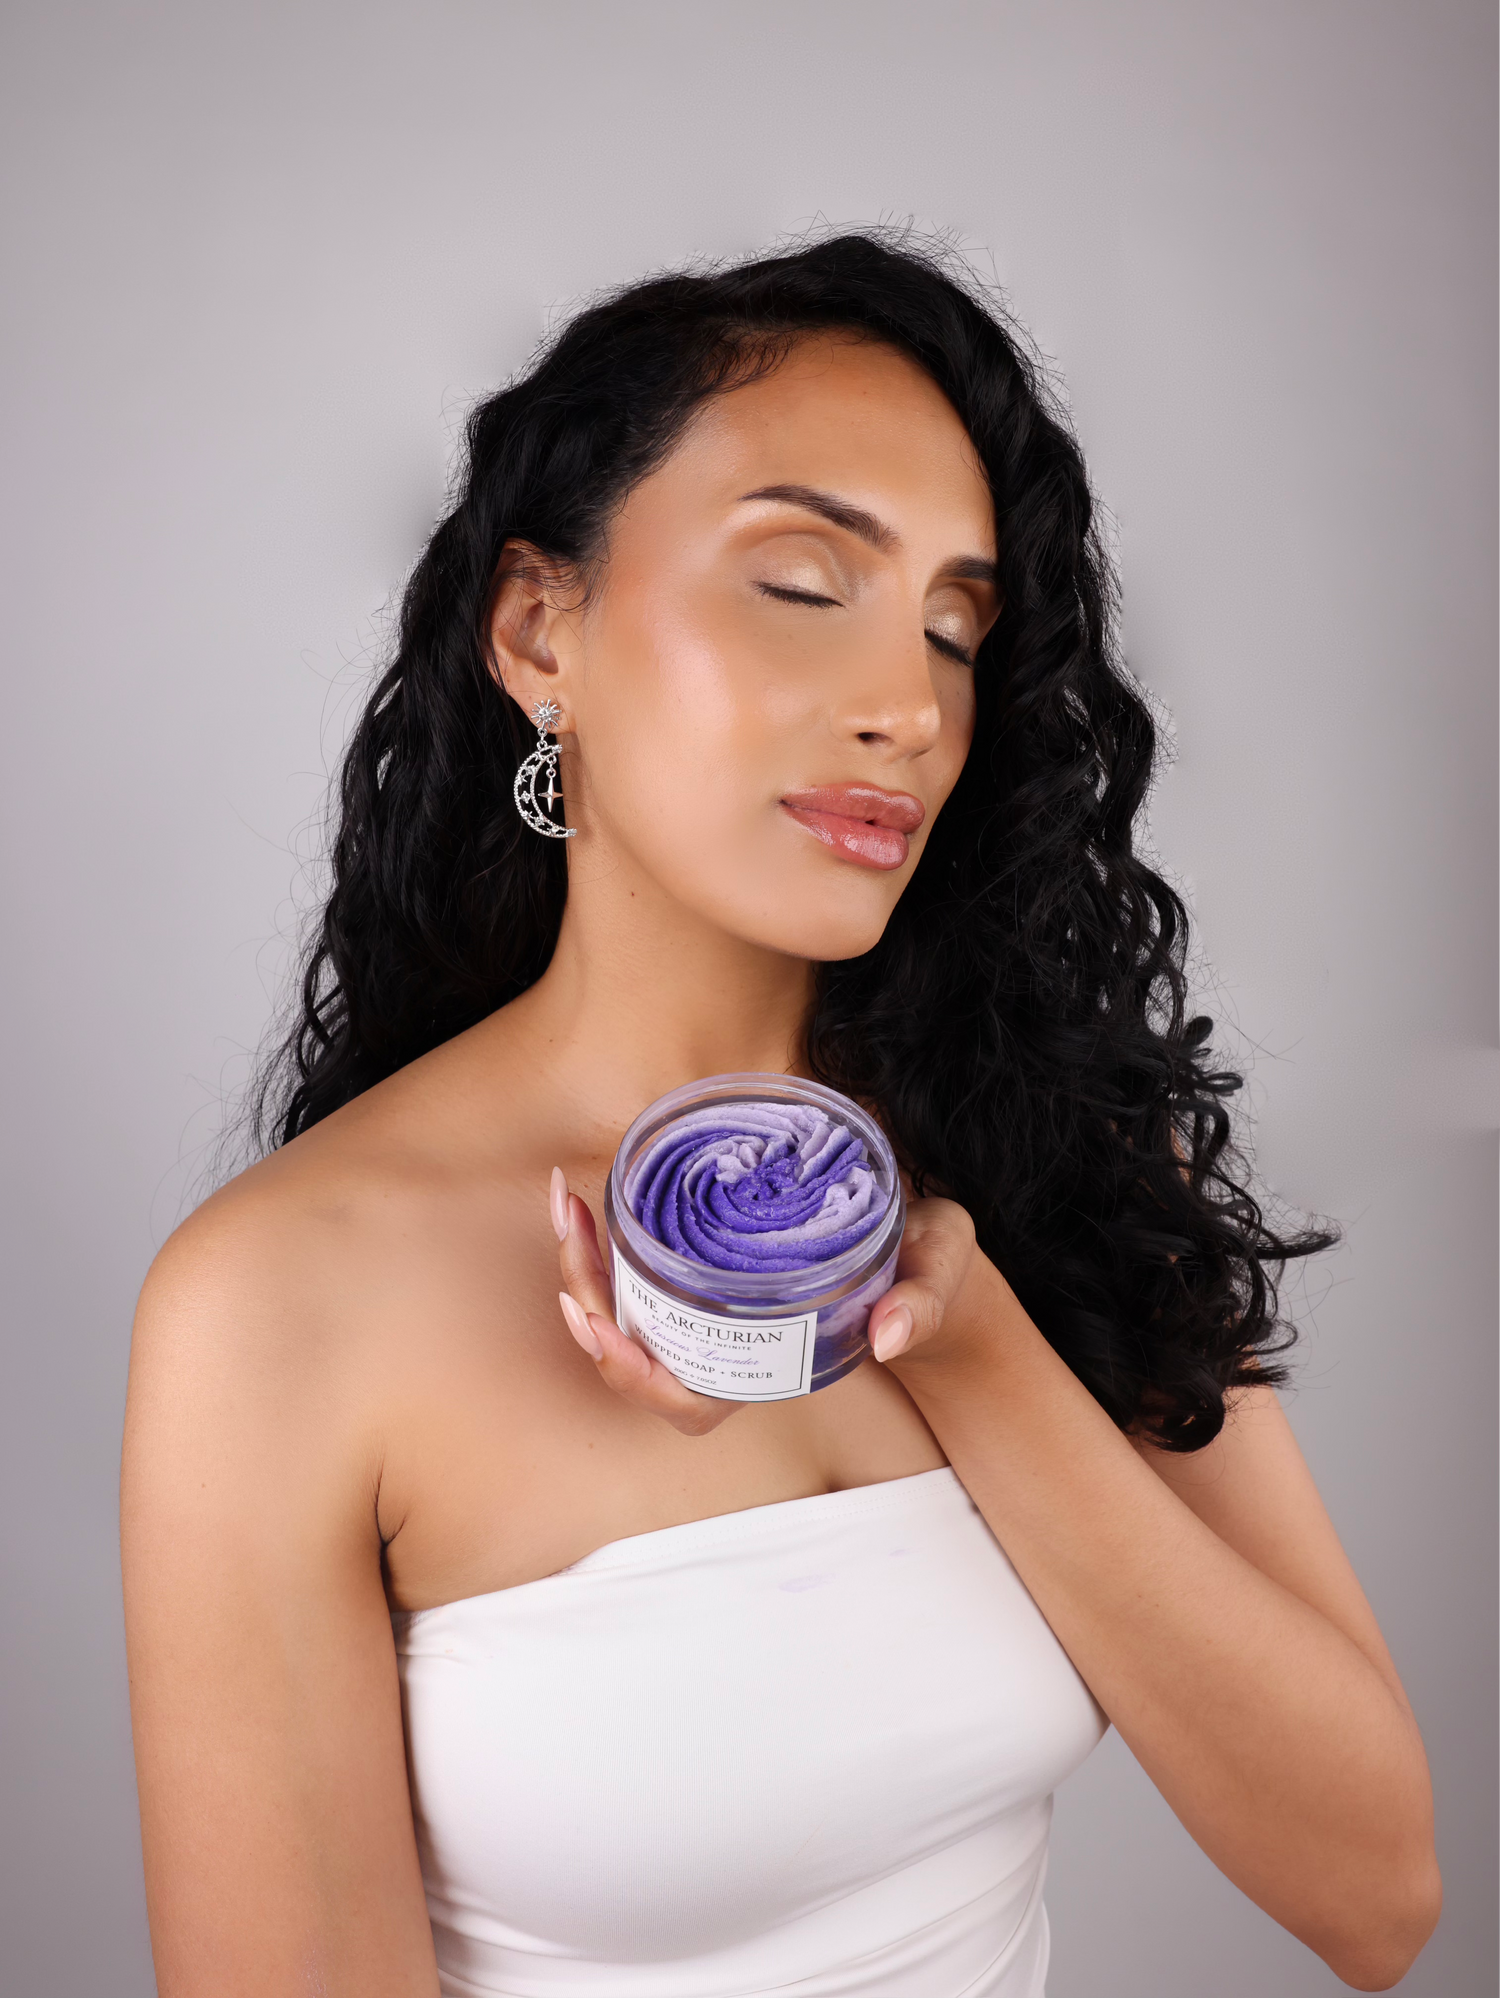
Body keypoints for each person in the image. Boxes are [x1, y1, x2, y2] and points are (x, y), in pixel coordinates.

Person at [121, 233, 1440, 1997]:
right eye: (806, 584)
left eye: (954, 631)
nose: (908, 707)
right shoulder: (277, 1306)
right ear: (539, 629)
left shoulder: (1060, 1149)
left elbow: (1375, 1891)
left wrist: (960, 1339)